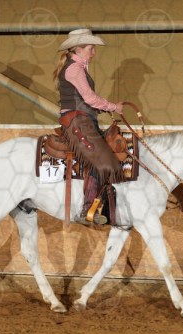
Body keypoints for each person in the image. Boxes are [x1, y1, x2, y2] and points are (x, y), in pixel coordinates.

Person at [54, 28, 125, 225]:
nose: (94, 53)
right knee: (103, 162)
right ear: (78, 49)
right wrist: (113, 107)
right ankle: (87, 210)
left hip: (83, 119)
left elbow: (86, 101)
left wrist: (100, 109)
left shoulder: (78, 67)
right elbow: (90, 98)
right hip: (77, 121)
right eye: (91, 49)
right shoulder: (75, 69)